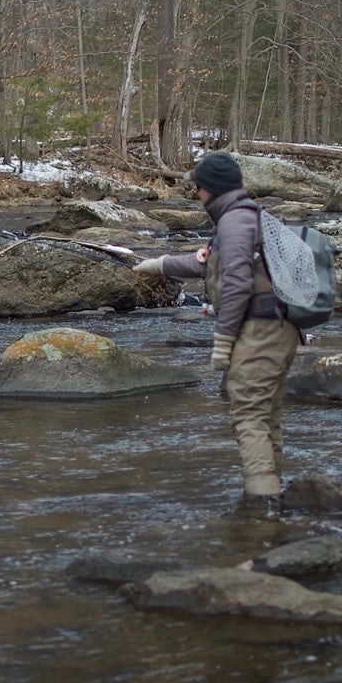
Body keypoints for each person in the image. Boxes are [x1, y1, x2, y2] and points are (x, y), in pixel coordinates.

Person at [133, 151, 300, 505]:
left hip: (260, 331)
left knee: (249, 415)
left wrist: (223, 340)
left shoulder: (235, 222)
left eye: (198, 188)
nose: (196, 194)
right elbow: (207, 265)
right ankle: (275, 497)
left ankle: (261, 508)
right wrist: (156, 264)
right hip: (280, 328)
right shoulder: (248, 217)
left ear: (211, 189)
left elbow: (238, 283)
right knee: (267, 415)